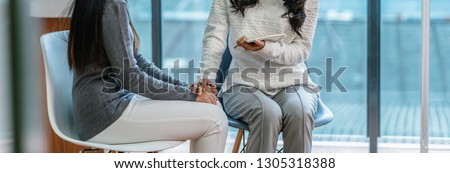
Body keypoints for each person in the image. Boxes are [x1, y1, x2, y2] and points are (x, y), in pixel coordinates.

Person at [67, 0, 228, 153]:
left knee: (212, 107)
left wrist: (187, 88)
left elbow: (140, 63)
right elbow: (132, 78)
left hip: (100, 111)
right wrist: (190, 96)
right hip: (105, 115)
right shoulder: (113, 4)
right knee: (215, 120)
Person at [198, 0, 320, 153]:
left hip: (293, 81)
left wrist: (265, 48)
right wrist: (206, 77)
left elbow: (302, 50)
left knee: (299, 111)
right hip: (242, 81)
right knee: (267, 113)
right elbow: (215, 36)